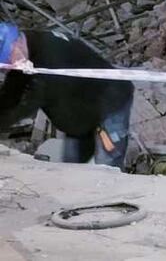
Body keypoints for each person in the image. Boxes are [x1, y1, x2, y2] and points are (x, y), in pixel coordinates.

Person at [0, 22, 133, 169]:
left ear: (16, 43)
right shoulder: (26, 49)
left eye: (9, 58)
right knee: (70, 168)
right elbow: (10, 94)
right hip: (79, 116)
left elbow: (26, 103)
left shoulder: (49, 57)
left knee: (107, 167)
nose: (10, 65)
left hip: (111, 103)